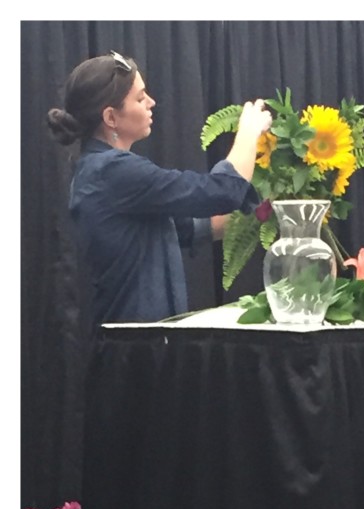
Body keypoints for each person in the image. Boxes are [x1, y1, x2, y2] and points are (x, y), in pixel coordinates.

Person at [46, 51, 272, 327]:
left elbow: (195, 226)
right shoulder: (112, 171)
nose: (152, 102)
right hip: (135, 351)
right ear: (110, 117)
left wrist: (272, 209)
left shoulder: (103, 172)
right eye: (140, 98)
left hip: (139, 346)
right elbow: (223, 191)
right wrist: (249, 131)